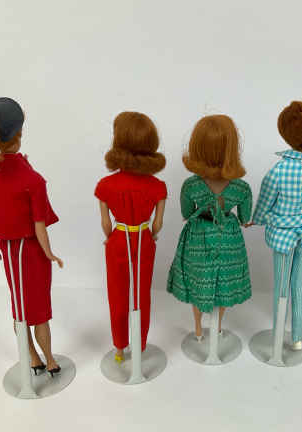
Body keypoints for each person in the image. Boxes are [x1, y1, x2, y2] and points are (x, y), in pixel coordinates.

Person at [0, 97, 63, 377]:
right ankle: (49, 360)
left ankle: (32, 357)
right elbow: (39, 226)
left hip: (9, 252)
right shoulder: (32, 180)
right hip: (33, 252)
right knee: (40, 311)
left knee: (19, 306)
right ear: (19, 133)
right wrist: (49, 253)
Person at [250, 101, 302, 351]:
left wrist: (258, 218)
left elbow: (265, 201)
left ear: (285, 133)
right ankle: (297, 337)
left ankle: (278, 332)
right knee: (300, 285)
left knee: (281, 286)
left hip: (282, 235)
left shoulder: (278, 170)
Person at [167, 115, 252, 340]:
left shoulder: (191, 185)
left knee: (198, 283)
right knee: (224, 287)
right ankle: (218, 325)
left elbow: (186, 213)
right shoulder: (241, 188)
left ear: (198, 147)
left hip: (198, 238)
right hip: (229, 239)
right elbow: (245, 218)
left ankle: (197, 327)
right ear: (232, 148)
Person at [95, 112, 167, 363]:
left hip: (118, 239)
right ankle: (140, 344)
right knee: (142, 295)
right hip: (143, 239)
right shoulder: (157, 186)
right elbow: (157, 224)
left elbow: (106, 224)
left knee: (117, 295)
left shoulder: (105, 185)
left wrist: (110, 237)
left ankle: (119, 347)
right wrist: (151, 235)